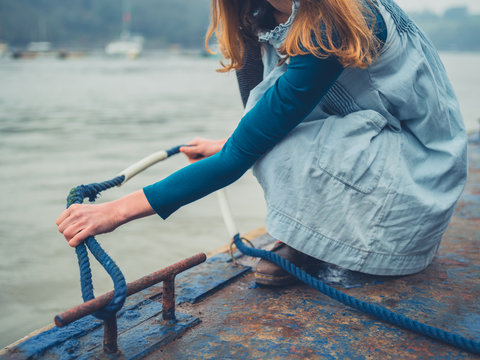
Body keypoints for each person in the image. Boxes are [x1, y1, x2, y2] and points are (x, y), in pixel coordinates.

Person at [57, 0, 467, 286]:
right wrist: (229, 143)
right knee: (262, 134)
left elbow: (243, 155)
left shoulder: (334, 20)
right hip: (384, 147)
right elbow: (271, 117)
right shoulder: (266, 14)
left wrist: (116, 210)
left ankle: (313, 242)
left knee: (275, 152)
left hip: (418, 178)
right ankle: (309, 237)